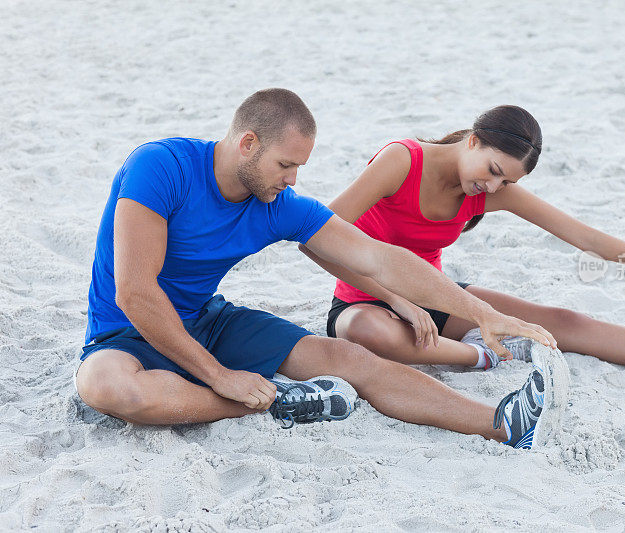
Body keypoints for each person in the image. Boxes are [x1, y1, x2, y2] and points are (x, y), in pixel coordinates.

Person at [74, 89, 569, 449]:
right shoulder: (161, 167)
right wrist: (222, 377)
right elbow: (135, 293)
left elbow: (382, 259)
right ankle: (282, 402)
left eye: (300, 169)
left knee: (352, 361)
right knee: (105, 387)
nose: (293, 180)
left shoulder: (278, 203)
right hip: (125, 332)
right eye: (286, 165)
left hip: (209, 322)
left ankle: (504, 424)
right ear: (247, 143)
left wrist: (481, 313)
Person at [301, 105, 625, 381]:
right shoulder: (402, 160)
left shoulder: (490, 192)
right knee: (370, 332)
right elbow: (317, 239)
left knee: (566, 321)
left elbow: (587, 239)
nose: (492, 186)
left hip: (436, 296)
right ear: (473, 141)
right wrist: (397, 302)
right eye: (493, 170)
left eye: (506, 181)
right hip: (363, 301)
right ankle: (486, 356)